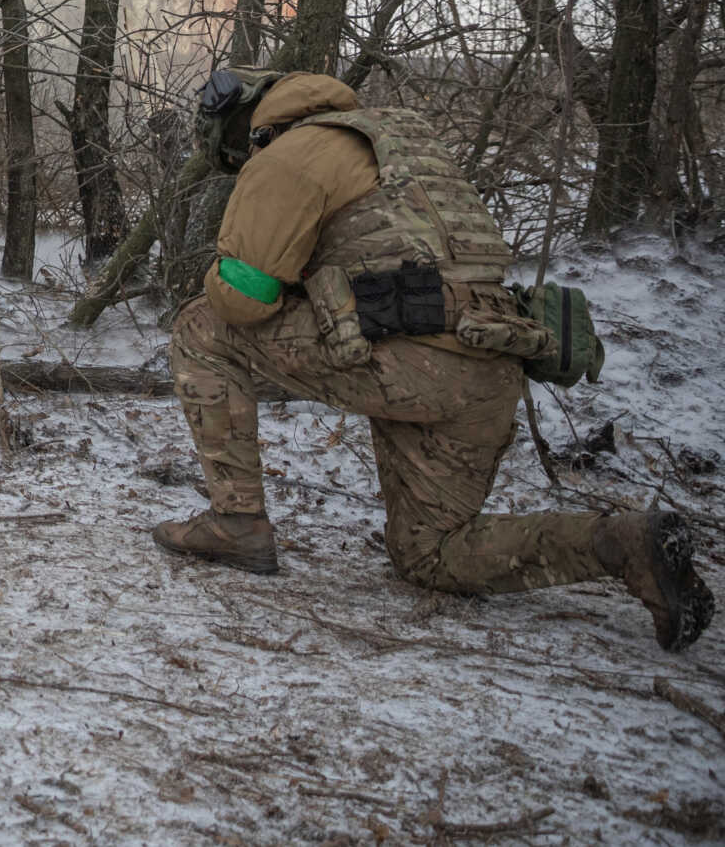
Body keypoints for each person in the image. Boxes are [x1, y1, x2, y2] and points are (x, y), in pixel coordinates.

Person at [157, 66, 711, 650]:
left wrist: (227, 275)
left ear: (251, 124)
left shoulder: (288, 155)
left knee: (201, 324)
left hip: (406, 360)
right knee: (432, 553)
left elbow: (245, 297)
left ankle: (236, 522)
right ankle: (623, 544)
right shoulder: (404, 138)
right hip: (491, 362)